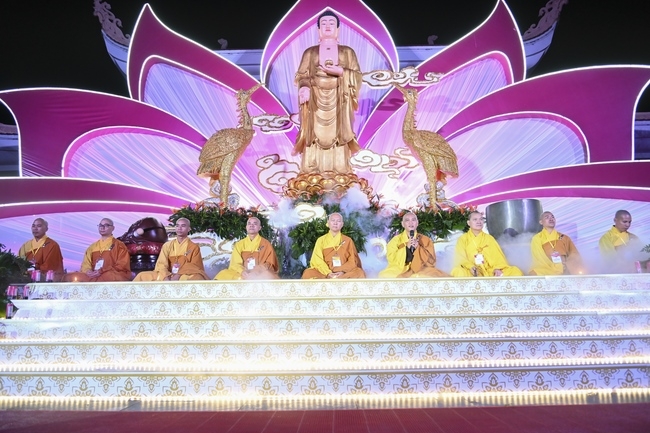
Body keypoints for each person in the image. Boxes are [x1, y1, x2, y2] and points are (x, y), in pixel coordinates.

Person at [292, 10, 363, 175]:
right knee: (313, 134)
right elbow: (301, 76)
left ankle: (341, 170)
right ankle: (311, 171)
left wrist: (341, 72)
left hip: (340, 99)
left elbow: (358, 76)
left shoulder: (347, 52)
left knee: (340, 134)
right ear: (318, 30)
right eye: (323, 23)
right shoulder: (310, 52)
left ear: (338, 29)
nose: (328, 26)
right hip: (315, 100)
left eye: (332, 23)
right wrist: (304, 87)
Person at [450, 211, 523, 277]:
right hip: (472, 271)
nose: (479, 222)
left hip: (490, 271)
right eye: (475, 219)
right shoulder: (463, 239)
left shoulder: (489, 238)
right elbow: (460, 259)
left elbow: (498, 257)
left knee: (515, 271)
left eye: (481, 219)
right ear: (468, 223)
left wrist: (497, 268)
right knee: (458, 271)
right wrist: (471, 267)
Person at [133, 218, 208, 281]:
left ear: (189, 229)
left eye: (183, 226)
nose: (179, 228)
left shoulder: (193, 247)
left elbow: (195, 267)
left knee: (195, 278)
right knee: (142, 276)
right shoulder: (167, 245)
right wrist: (165, 276)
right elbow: (161, 264)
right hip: (167, 274)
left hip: (183, 274)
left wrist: (178, 275)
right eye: (177, 225)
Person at [379, 212, 448, 278]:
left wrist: (418, 248)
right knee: (385, 275)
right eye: (407, 220)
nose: (410, 222)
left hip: (422, 269)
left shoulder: (426, 240)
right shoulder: (395, 240)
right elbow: (392, 259)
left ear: (417, 223)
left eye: (413, 220)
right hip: (400, 269)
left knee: (436, 276)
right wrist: (406, 248)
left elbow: (431, 261)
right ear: (403, 224)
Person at [63, 218, 131, 282]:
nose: (102, 228)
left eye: (106, 225)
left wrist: (101, 271)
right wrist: (88, 271)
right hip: (93, 275)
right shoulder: (92, 247)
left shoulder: (119, 245)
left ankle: (94, 281)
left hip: (110, 274)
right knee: (69, 276)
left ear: (113, 228)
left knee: (109, 275)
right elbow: (85, 264)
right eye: (100, 225)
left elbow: (121, 265)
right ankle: (95, 280)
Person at [302, 212, 366, 279]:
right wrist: (328, 273)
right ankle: (330, 278)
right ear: (328, 223)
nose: (335, 223)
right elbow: (317, 260)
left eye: (338, 221)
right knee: (308, 273)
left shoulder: (348, 240)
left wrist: (342, 271)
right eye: (333, 220)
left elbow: (352, 260)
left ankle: (338, 277)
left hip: (343, 273)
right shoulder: (321, 240)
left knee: (359, 272)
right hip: (325, 273)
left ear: (342, 224)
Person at [215, 217, 279, 280]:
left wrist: (256, 271)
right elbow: (235, 263)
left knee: (267, 275)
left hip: (260, 274)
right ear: (246, 227)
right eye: (249, 223)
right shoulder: (239, 244)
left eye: (255, 223)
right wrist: (242, 271)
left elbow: (270, 264)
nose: (251, 225)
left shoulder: (266, 244)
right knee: (223, 274)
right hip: (243, 274)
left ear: (259, 228)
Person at [529, 211, 586, 275]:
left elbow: (574, 254)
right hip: (547, 268)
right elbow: (539, 258)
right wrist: (556, 266)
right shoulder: (537, 238)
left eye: (552, 217)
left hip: (564, 268)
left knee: (578, 272)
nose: (551, 219)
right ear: (541, 222)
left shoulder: (564, 237)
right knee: (534, 273)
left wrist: (566, 264)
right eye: (547, 217)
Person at [18, 217, 64, 281]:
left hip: (44, 280)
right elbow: (19, 263)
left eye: (39, 226)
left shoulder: (52, 245)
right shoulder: (26, 245)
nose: (35, 228)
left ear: (46, 229)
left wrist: (34, 269)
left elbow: (50, 266)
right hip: (26, 279)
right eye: (33, 226)